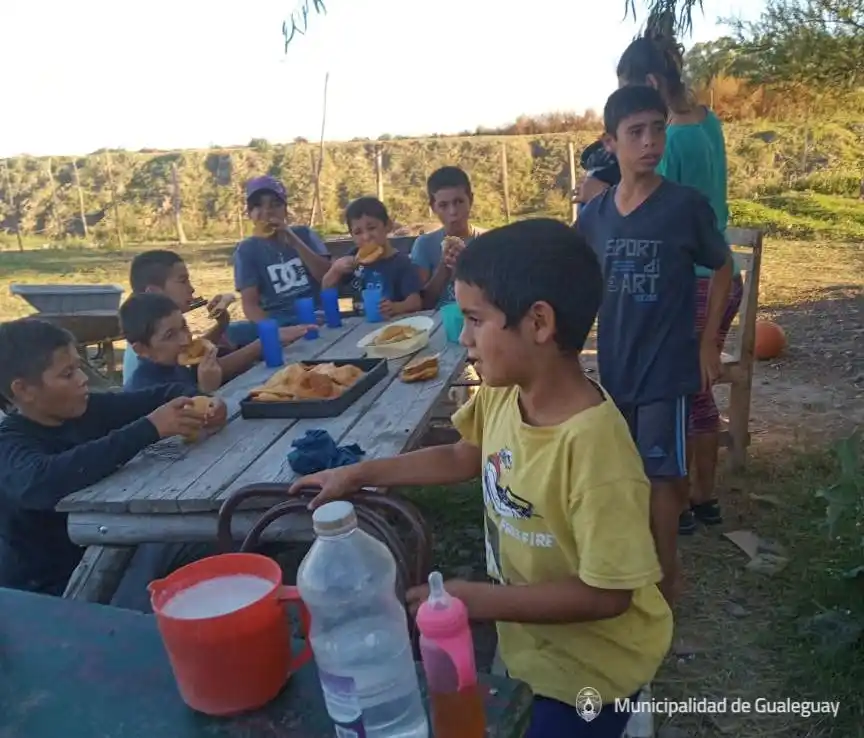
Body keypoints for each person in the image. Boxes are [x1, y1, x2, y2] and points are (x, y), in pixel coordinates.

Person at [288, 219, 673, 737]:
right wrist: (359, 473)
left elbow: (607, 595)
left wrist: (474, 600)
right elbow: (464, 456)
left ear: (538, 322)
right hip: (530, 650)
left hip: (594, 674)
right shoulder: (504, 391)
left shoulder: (595, 451)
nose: (462, 336)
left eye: (473, 319)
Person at [575, 85, 733, 604]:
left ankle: (667, 578)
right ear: (611, 142)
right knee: (622, 472)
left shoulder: (684, 206)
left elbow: (723, 266)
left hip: (667, 367)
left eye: (657, 129)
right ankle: (628, 566)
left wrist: (709, 342)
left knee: (663, 475)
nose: (650, 142)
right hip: (614, 366)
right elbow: (570, 279)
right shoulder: (594, 218)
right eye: (636, 132)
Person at [0, 317, 227, 609]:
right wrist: (149, 428)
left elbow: (165, 393)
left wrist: (204, 401)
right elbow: (42, 482)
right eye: (67, 374)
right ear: (24, 390)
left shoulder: (85, 409)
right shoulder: (10, 443)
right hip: (57, 590)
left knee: (217, 535)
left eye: (79, 367)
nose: (82, 379)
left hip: (117, 548)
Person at [617, 30, 745, 533]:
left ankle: (694, 499)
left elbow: (648, 199)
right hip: (716, 270)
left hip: (694, 280)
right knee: (693, 388)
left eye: (630, 90)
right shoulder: (707, 121)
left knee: (688, 390)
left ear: (650, 82)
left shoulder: (672, 142)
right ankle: (698, 496)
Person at [120, 292, 310, 393]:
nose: (186, 339)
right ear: (142, 350)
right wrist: (207, 390)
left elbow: (205, 351)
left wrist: (222, 324)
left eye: (184, 327)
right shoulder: (146, 389)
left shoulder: (171, 364)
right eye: (170, 335)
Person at [232, 175, 331, 345]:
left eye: (275, 204)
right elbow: (250, 305)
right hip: (277, 321)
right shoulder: (247, 250)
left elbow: (326, 277)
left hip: (314, 313)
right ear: (250, 214)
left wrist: (294, 241)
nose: (267, 211)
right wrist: (275, 332)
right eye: (258, 206)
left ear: (285, 210)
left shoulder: (304, 234)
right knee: (232, 332)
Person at [123, 249, 238, 385]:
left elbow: (191, 352)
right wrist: (260, 346)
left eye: (184, 327)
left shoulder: (161, 333)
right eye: (183, 281)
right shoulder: (145, 363)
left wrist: (222, 324)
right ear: (153, 292)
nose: (192, 289)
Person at [322, 196, 422, 319]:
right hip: (352, 326)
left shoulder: (401, 263)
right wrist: (335, 271)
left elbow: (415, 302)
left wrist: (396, 307)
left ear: (388, 226)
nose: (366, 237)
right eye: (358, 232)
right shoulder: (351, 260)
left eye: (371, 228)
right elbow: (327, 290)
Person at [410, 166, 484, 309]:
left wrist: (465, 270)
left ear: (471, 200)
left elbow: (500, 299)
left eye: (459, 202)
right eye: (443, 205)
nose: (453, 212)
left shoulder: (489, 241)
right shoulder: (424, 245)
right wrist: (443, 268)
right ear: (433, 208)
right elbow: (422, 304)